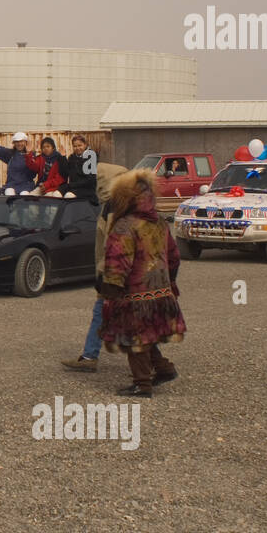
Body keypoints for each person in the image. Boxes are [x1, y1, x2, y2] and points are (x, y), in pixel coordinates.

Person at [98, 168, 185, 397]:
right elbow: (174, 256)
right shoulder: (159, 223)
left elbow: (118, 262)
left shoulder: (125, 226)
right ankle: (164, 369)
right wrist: (169, 281)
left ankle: (142, 384)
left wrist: (110, 288)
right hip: (160, 290)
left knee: (135, 339)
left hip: (135, 294)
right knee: (148, 334)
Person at [61, 162, 127, 373]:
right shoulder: (112, 206)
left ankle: (153, 365)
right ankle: (89, 355)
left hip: (116, 274)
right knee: (104, 313)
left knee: (131, 317)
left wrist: (106, 274)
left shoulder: (116, 210)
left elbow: (113, 245)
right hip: (111, 272)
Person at [0, 125, 37, 195]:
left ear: (25, 142)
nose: (19, 144)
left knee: (24, 195)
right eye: (16, 142)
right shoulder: (10, 154)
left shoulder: (32, 155)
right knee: (9, 193)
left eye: (21, 141)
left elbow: (33, 173)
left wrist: (29, 154)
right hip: (11, 185)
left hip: (26, 186)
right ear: (14, 143)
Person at [63, 135, 98, 201]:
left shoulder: (91, 157)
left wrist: (72, 185)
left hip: (87, 189)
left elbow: (90, 180)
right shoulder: (71, 158)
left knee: (68, 195)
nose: (77, 148)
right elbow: (66, 172)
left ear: (85, 145)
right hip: (74, 187)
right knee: (57, 193)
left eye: (80, 145)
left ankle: (71, 211)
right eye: (75, 146)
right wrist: (63, 157)